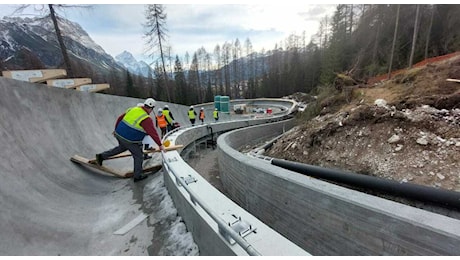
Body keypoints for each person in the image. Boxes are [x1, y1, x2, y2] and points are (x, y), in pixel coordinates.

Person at [96, 98, 165, 182]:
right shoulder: (146, 118)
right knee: (139, 155)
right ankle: (138, 176)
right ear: (151, 108)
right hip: (128, 139)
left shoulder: (133, 109)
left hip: (119, 134)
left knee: (122, 148)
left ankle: (101, 156)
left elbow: (119, 118)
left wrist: (116, 130)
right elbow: (152, 132)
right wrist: (160, 145)